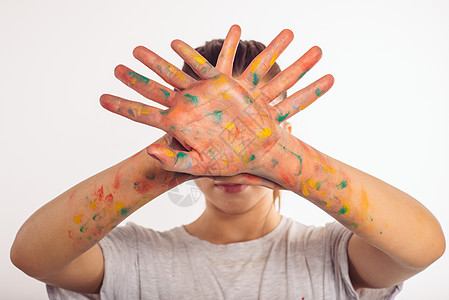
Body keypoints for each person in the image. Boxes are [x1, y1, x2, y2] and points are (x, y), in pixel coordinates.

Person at [10, 25, 445, 299]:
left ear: (286, 134)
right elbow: (33, 257)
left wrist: (296, 165)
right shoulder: (135, 258)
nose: (228, 157)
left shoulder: (333, 255)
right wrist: (168, 161)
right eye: (205, 130)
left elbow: (424, 247)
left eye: (250, 131)